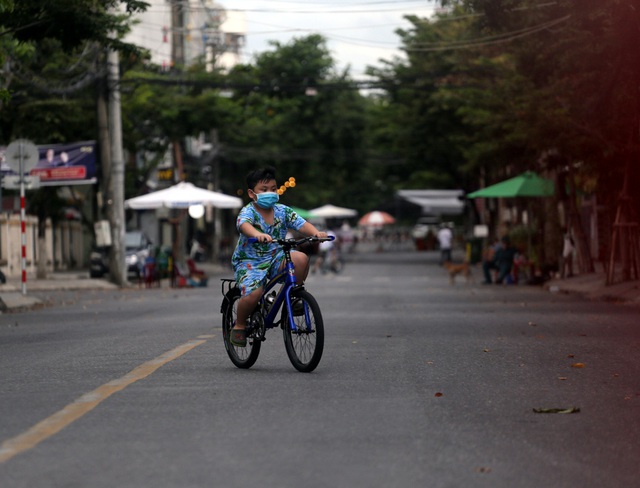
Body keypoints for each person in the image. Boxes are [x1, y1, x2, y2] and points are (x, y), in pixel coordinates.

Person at [229, 167, 327, 347]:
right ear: (252, 193)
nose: (270, 193)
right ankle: (240, 325)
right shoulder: (248, 212)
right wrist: (256, 234)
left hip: (277, 256)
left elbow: (301, 224)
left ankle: (294, 297)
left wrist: (316, 233)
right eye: (264, 190)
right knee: (254, 294)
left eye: (273, 189)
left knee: (301, 259)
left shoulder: (283, 211)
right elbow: (244, 225)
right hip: (250, 262)